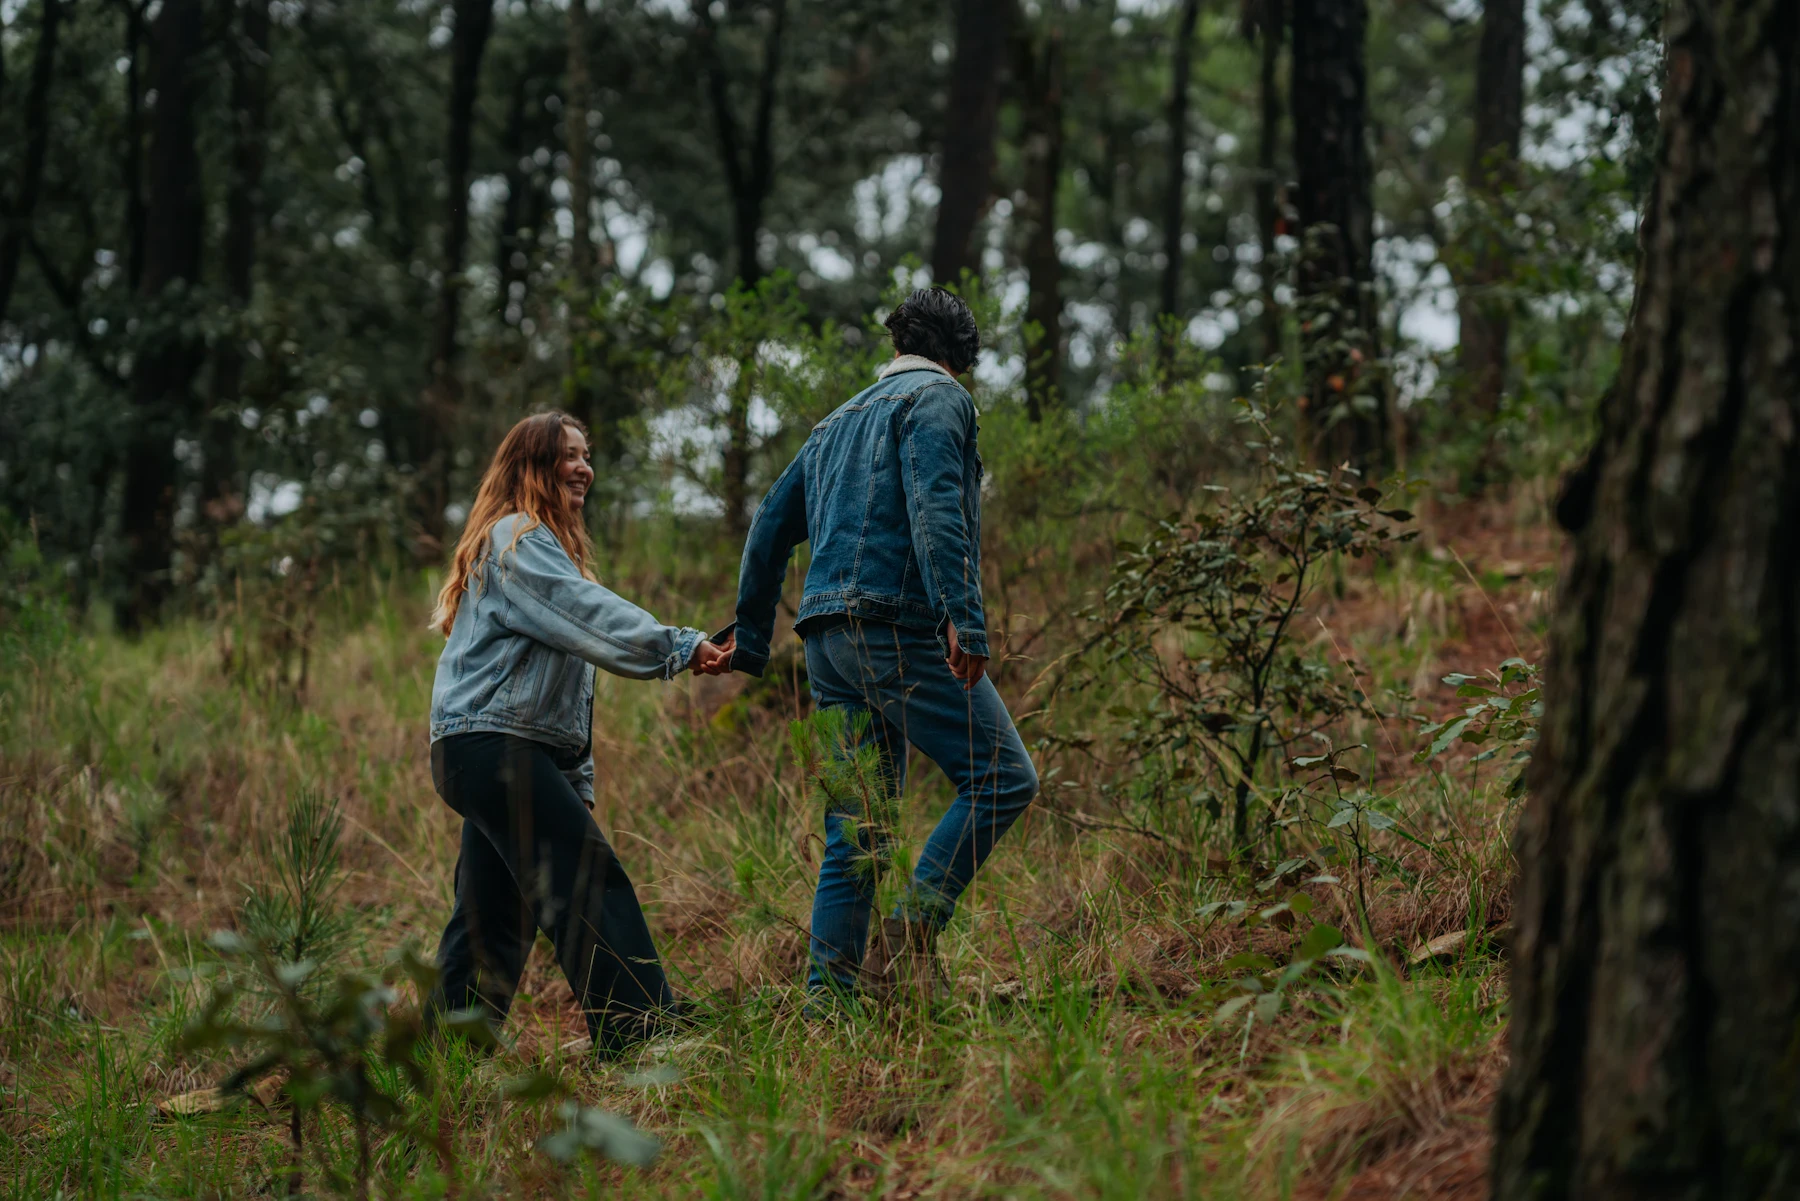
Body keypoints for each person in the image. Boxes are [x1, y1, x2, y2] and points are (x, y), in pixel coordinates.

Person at [716, 286, 1039, 1003]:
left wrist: (752, 636)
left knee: (856, 829)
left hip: (825, 644)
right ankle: (903, 946)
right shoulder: (942, 399)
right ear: (961, 359)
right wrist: (963, 616)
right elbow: (934, 505)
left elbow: (767, 528)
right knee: (1003, 777)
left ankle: (827, 1003)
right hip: (893, 626)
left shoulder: (833, 422)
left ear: (898, 346)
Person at [426, 410, 729, 1055]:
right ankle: (640, 1031)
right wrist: (678, 646)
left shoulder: (538, 549)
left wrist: (574, 780)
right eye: (568, 455)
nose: (583, 467)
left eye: (586, 455)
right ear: (533, 465)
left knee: (492, 911)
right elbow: (590, 616)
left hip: (485, 749)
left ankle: (442, 1058)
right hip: (490, 746)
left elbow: (560, 696)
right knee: (584, 876)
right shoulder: (516, 538)